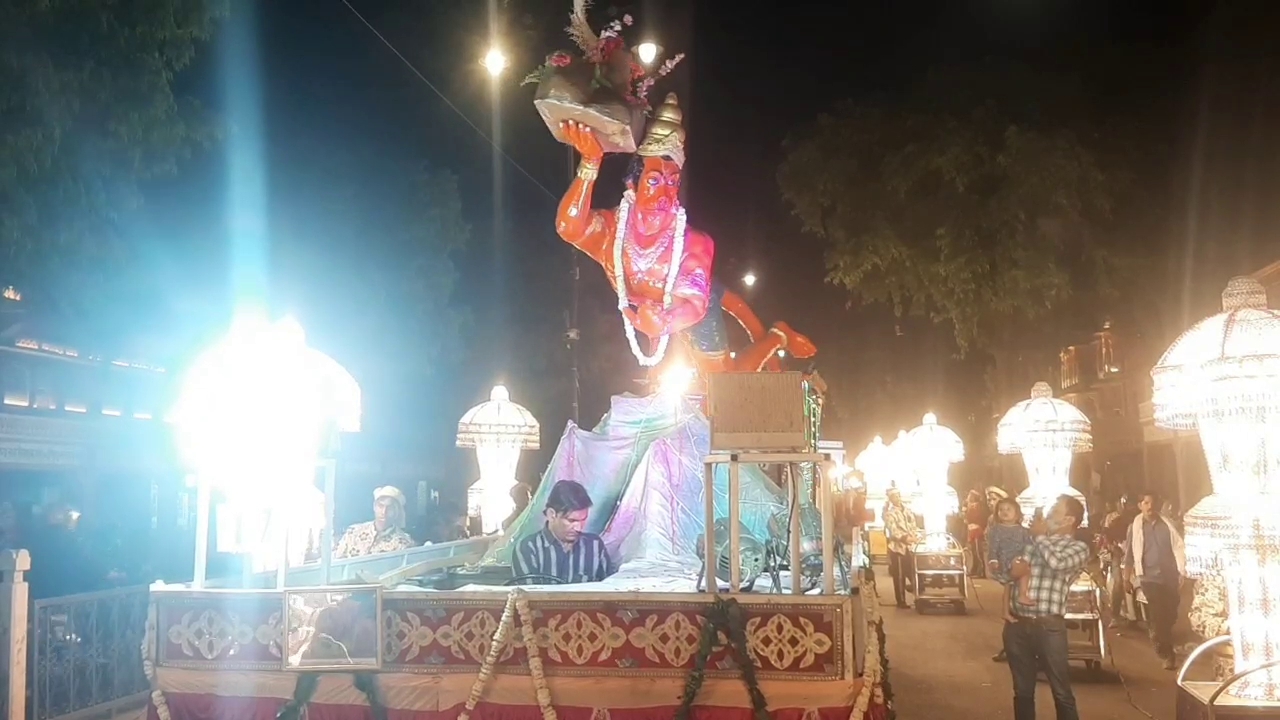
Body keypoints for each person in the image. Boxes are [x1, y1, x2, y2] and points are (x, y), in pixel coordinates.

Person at [1001, 494, 1091, 720]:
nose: (1049, 516)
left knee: (1061, 691)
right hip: (1018, 623)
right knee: (1022, 691)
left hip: (1049, 626)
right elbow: (1009, 574)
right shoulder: (1030, 541)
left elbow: (1058, 564)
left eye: (1055, 512)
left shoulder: (1078, 548)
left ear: (1069, 520)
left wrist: (1039, 538)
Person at [1125, 491, 1187, 670]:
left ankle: (1158, 634)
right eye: (1145, 503)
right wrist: (1126, 578)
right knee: (1159, 616)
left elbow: (1178, 548)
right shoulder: (1135, 528)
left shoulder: (1168, 526)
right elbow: (1129, 554)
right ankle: (1167, 653)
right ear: (1140, 505)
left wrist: (1182, 571)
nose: (1149, 507)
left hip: (1170, 577)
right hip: (1149, 578)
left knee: (1169, 615)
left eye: (1152, 503)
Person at [513, 480, 613, 584]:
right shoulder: (528, 549)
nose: (578, 528)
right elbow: (529, 597)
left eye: (583, 520)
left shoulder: (594, 546)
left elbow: (610, 590)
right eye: (571, 520)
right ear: (552, 515)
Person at [334, 487, 415, 559]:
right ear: (374, 507)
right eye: (380, 506)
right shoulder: (353, 532)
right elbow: (336, 560)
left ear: (396, 511)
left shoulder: (404, 543)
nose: (384, 512)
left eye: (390, 508)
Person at [1105, 495, 1140, 628]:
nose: (1130, 508)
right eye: (1127, 505)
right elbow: (1108, 538)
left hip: (1137, 557)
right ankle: (1115, 616)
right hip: (1119, 557)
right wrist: (1115, 548)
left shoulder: (1140, 522)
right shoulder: (1115, 522)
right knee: (1119, 583)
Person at [882, 488, 918, 609]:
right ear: (891, 499)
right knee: (899, 575)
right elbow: (893, 530)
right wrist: (904, 538)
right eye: (894, 497)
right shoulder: (890, 513)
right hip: (897, 548)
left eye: (898, 496)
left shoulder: (907, 510)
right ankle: (901, 601)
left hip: (910, 547)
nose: (897, 498)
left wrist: (913, 536)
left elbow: (913, 524)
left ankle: (918, 596)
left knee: (913, 572)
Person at [964, 490, 989, 578]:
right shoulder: (970, 506)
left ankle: (982, 571)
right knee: (973, 551)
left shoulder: (977, 506)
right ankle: (974, 570)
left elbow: (977, 517)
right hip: (971, 529)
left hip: (977, 529)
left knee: (978, 551)